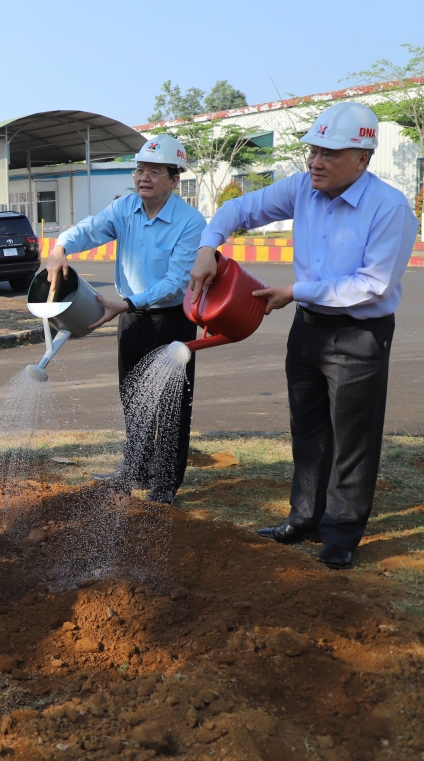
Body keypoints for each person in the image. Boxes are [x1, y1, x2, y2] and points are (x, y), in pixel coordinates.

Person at [190, 102, 417, 570]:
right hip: (308, 330)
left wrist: (296, 291)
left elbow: (371, 284)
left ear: (362, 159)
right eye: (312, 150)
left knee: (352, 437)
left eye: (329, 154)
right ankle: (305, 518)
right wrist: (207, 246)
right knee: (309, 429)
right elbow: (238, 209)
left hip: (360, 335)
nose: (315, 161)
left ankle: (341, 533)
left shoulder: (389, 208)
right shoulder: (302, 188)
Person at [46, 134, 206, 504]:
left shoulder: (190, 222)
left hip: (173, 321)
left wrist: (127, 303)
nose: (143, 178)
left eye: (153, 171)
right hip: (132, 319)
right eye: (139, 170)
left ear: (173, 178)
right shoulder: (125, 209)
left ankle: (164, 485)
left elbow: (175, 282)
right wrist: (59, 247)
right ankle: (134, 468)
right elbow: (89, 229)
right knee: (133, 397)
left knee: (171, 404)